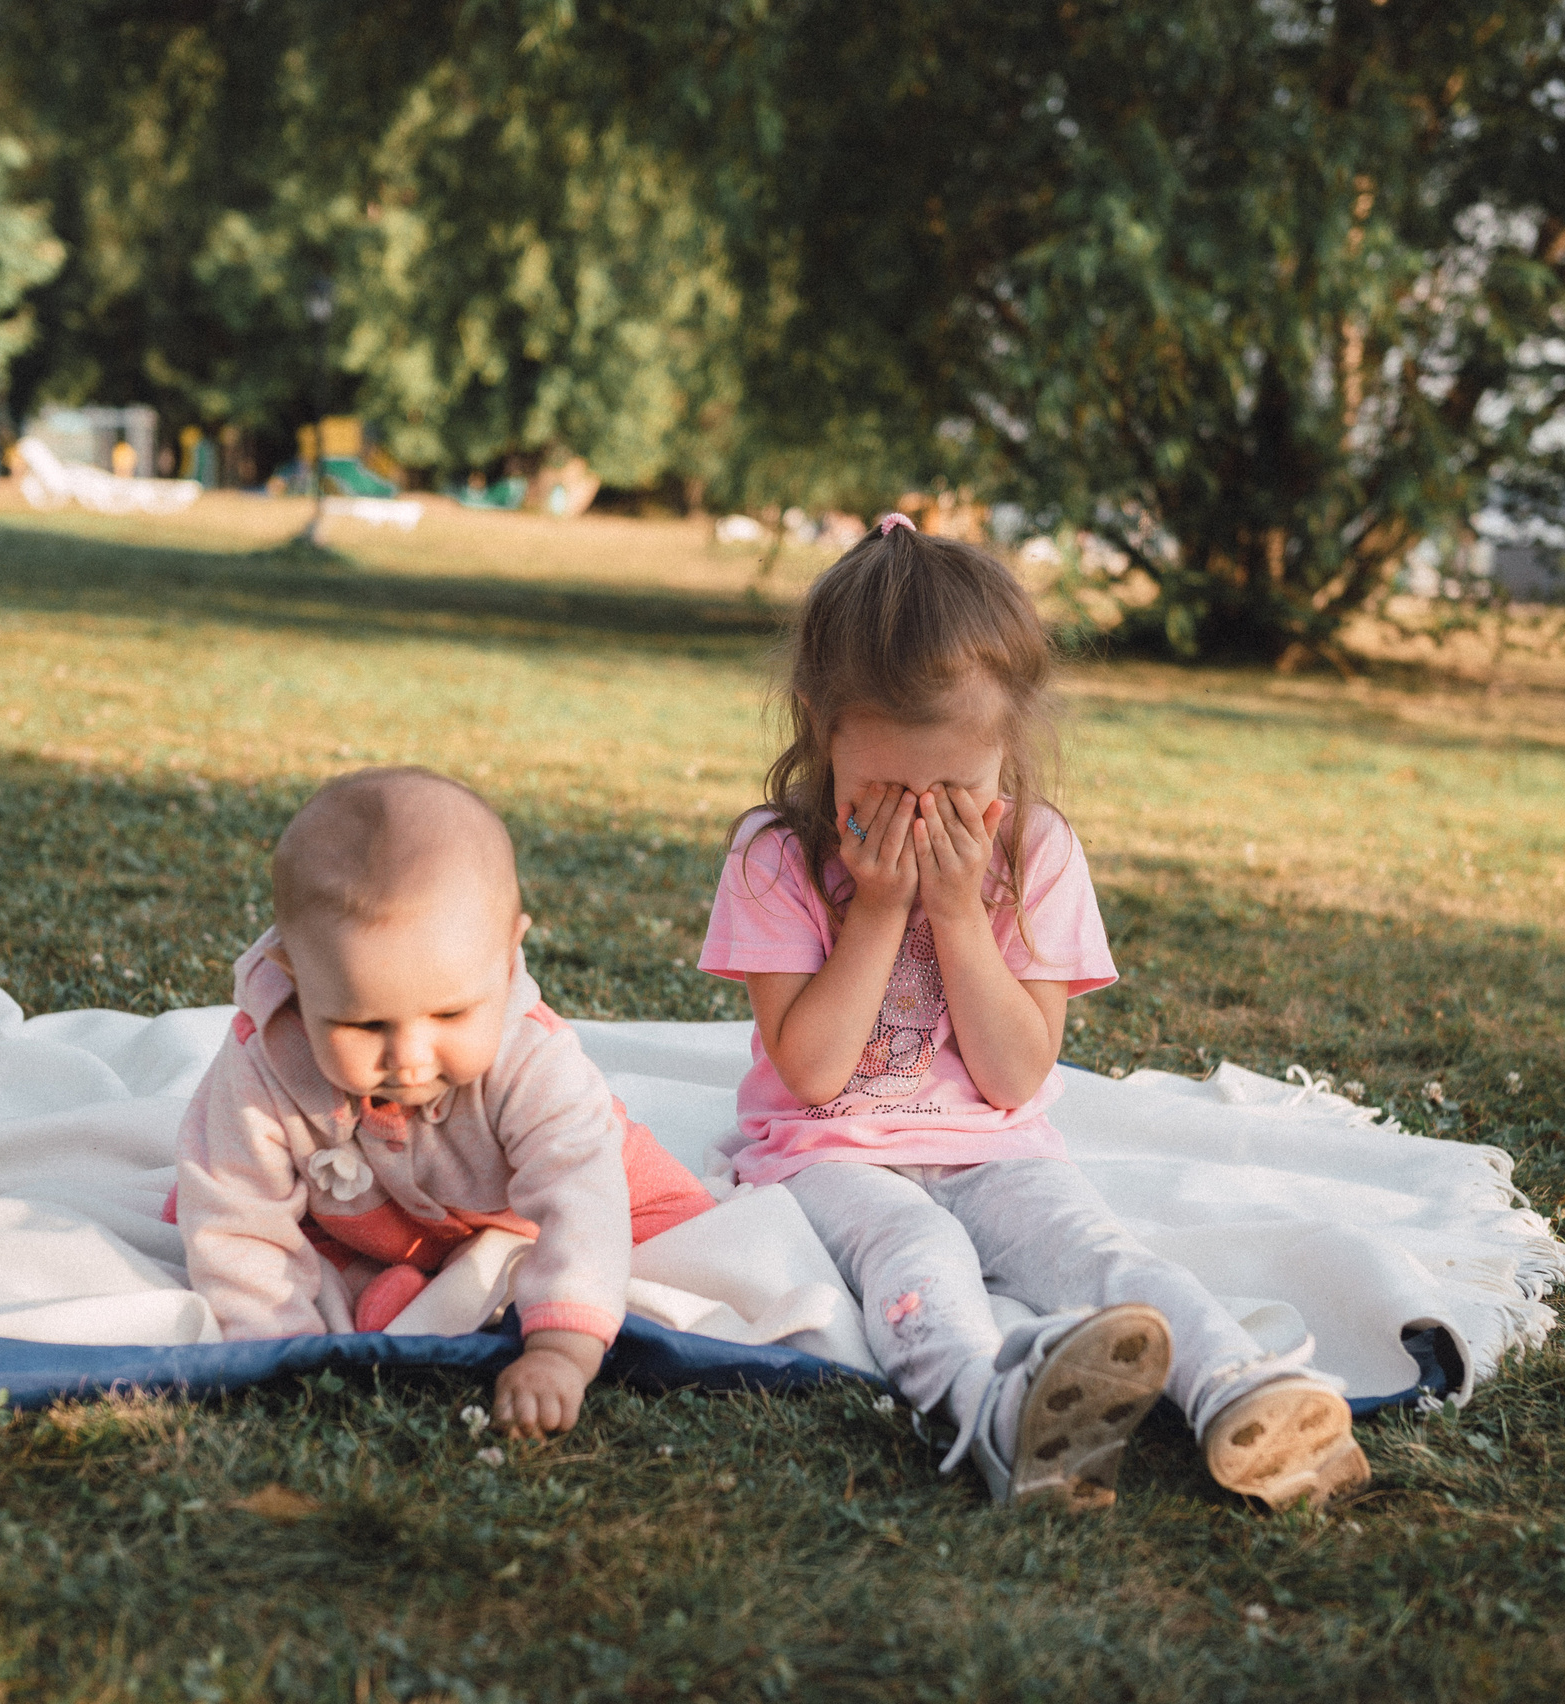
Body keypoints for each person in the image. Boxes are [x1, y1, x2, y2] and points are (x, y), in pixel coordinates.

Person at [697, 515, 1371, 1510]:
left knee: (1100, 1257)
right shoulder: (775, 854)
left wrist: (960, 912)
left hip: (997, 1145)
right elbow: (811, 1075)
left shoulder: (1035, 852)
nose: (920, 816)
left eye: (954, 788)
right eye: (883, 787)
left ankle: (1240, 1389)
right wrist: (880, 909)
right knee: (917, 1255)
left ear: (1005, 746)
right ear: (817, 725)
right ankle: (996, 1412)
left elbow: (1016, 1078)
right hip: (827, 1151)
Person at [176, 767, 713, 1437]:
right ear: (295, 976)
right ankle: (414, 1284)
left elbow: (581, 1197)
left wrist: (560, 1352)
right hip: (377, 1215)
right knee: (229, 1205)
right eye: (365, 1025)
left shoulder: (533, 1064)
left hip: (529, 1197)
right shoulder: (264, 1065)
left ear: (507, 953)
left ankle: (448, 1281)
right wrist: (274, 1348)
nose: (410, 1056)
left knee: (679, 1243)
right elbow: (238, 1215)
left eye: (451, 1013)